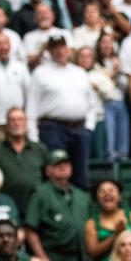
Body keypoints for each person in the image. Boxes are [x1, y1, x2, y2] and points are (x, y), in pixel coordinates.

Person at [25, 36, 98, 189]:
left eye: (62, 47)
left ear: (68, 49)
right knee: (55, 173)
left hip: (79, 128)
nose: (59, 51)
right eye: (55, 47)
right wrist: (33, 137)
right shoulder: (40, 73)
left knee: (80, 173)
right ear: (49, 51)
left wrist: (89, 127)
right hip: (53, 128)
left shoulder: (79, 72)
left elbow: (92, 102)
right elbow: (31, 106)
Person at [24, 149, 91, 261]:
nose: (63, 167)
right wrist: (43, 258)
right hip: (54, 258)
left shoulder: (82, 195)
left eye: (66, 164)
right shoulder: (40, 194)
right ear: (47, 171)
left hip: (82, 258)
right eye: (57, 164)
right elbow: (30, 230)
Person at [0, 108, 47, 217]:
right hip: (5, 206)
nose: (16, 123)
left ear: (26, 123)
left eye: (20, 119)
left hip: (36, 207)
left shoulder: (39, 149)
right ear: (6, 124)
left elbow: (47, 178)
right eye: (12, 120)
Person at [83, 180, 131, 261]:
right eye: (102, 191)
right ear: (97, 197)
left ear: (119, 195)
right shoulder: (91, 223)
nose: (107, 194)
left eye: (111, 190)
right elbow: (92, 252)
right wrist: (115, 236)